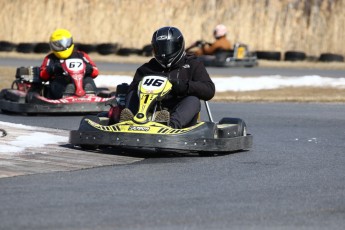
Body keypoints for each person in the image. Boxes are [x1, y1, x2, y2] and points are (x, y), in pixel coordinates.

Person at [118, 26, 215, 129]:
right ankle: (131, 121)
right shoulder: (147, 68)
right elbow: (131, 91)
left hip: (178, 111)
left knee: (193, 99)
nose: (164, 53)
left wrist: (183, 86)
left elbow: (209, 90)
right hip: (149, 111)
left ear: (178, 45)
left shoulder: (193, 65)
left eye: (168, 47)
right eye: (160, 48)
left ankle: (169, 126)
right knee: (132, 91)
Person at [35, 28, 99, 99]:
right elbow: (42, 75)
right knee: (59, 82)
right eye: (58, 45)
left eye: (64, 43)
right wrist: (53, 68)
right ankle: (67, 94)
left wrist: (89, 68)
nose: (62, 46)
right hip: (60, 85)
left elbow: (95, 71)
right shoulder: (50, 58)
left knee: (88, 80)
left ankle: (90, 94)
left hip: (81, 80)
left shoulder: (81, 55)